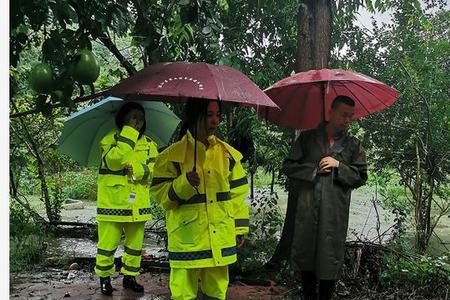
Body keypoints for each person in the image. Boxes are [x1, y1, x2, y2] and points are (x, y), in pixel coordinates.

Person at [150, 98, 250, 300]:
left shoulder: (227, 155)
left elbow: (238, 194)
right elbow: (162, 197)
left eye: (217, 115)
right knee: (183, 293)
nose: (215, 121)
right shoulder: (172, 156)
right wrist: (184, 183)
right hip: (187, 237)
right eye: (209, 115)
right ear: (195, 116)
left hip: (219, 234)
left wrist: (239, 228)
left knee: (216, 292)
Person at [283, 96, 367, 300]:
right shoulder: (307, 138)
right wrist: (313, 170)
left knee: (329, 258)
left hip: (333, 213)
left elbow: (361, 177)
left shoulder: (353, 145)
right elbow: (288, 166)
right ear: (331, 112)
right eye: (343, 115)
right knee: (306, 256)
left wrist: (339, 166)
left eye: (350, 116)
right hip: (307, 209)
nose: (347, 120)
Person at [94, 102, 158, 295]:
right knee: (107, 245)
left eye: (140, 117)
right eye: (133, 117)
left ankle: (130, 277)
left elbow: (154, 171)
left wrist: (138, 171)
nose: (137, 121)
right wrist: (128, 133)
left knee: (135, 246)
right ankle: (104, 278)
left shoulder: (149, 144)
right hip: (112, 203)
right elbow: (114, 162)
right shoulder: (109, 140)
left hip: (137, 203)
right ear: (123, 118)